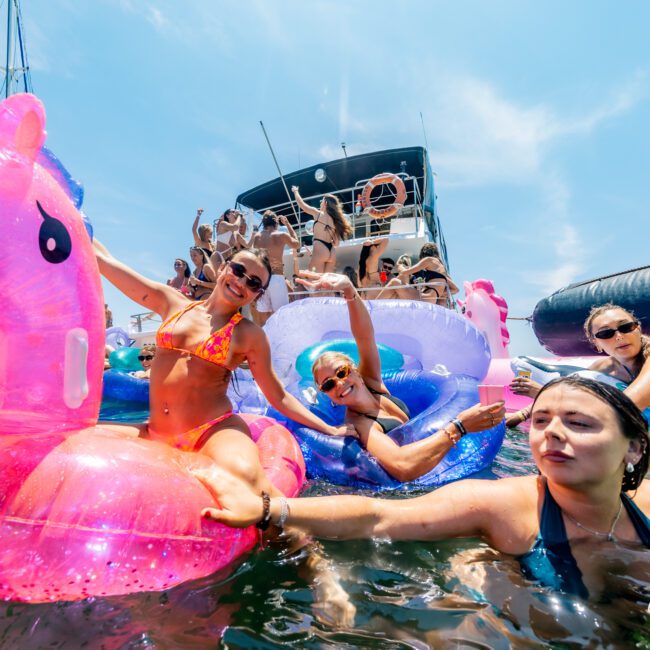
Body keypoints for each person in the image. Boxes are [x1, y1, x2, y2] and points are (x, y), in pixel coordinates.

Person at [197, 376, 650, 601]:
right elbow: (383, 511)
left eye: (578, 423)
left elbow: (367, 345)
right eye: (541, 420)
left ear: (633, 448)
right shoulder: (502, 501)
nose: (551, 434)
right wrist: (268, 507)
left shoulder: (377, 389)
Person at [93, 241, 353, 483]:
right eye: (238, 270)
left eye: (253, 283)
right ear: (223, 268)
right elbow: (106, 262)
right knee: (75, 440)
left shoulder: (248, 334)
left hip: (211, 433)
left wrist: (329, 429)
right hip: (154, 431)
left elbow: (277, 396)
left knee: (245, 478)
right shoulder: (172, 302)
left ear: (256, 295)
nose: (241, 282)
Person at [295, 271, 505, 482]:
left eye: (341, 372)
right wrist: (460, 425)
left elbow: (365, 337)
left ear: (355, 371)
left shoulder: (372, 382)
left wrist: (349, 290)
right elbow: (402, 466)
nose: (339, 383)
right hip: (423, 483)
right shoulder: (360, 424)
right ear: (327, 395)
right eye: (328, 384)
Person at [507, 303, 650, 427]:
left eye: (626, 327)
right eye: (606, 333)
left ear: (638, 329)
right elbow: (571, 391)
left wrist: (544, 395)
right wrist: (521, 415)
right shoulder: (601, 370)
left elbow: (627, 407)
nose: (619, 336)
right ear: (596, 343)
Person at [250, 210, 300, 324]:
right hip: (276, 279)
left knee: (264, 319)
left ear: (264, 223)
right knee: (282, 315)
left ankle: (266, 341)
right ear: (276, 223)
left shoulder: (257, 237)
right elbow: (297, 244)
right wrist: (288, 224)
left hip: (262, 281)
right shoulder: (281, 235)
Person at [291, 186, 352, 274]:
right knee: (326, 284)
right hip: (331, 252)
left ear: (325, 203)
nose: (320, 203)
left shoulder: (318, 214)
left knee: (315, 282)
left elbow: (301, 204)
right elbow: (336, 243)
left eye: (321, 201)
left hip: (321, 249)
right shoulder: (335, 220)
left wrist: (296, 191)